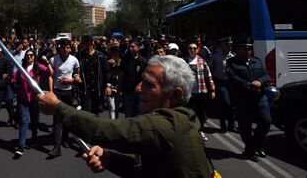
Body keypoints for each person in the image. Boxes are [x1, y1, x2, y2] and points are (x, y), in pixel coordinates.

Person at [38, 55, 212, 178]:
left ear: (174, 95)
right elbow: (145, 171)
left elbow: (106, 130)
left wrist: (58, 108)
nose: (138, 88)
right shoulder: (178, 120)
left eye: (148, 84)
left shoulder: (168, 125)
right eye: (141, 80)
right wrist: (110, 159)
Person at [226, 38, 271, 162]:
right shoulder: (231, 63)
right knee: (245, 127)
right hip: (243, 100)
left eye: (249, 48)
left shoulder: (257, 61)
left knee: (266, 122)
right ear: (238, 50)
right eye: (245, 48)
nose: (248, 51)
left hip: (259, 98)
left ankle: (256, 144)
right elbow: (233, 79)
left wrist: (259, 82)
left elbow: (266, 75)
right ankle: (250, 151)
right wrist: (250, 85)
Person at [11, 49, 52, 156]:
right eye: (27, 55)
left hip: (35, 99)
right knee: (24, 121)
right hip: (23, 99)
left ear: (34, 56)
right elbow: (13, 80)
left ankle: (34, 137)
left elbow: (50, 73)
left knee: (34, 120)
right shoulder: (21, 69)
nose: (29, 57)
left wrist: (47, 62)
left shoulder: (39, 67)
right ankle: (21, 146)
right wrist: (16, 87)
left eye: (31, 55)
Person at [48, 38, 82, 157]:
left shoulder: (74, 60)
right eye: (63, 47)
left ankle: (65, 138)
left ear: (70, 48)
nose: (65, 49)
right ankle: (56, 147)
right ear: (59, 48)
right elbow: (51, 76)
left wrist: (72, 79)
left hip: (69, 92)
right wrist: (51, 92)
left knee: (67, 118)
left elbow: (77, 73)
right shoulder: (53, 59)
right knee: (57, 120)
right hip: (57, 91)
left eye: (67, 47)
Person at [185, 42, 215, 141]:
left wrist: (212, 90)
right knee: (190, 113)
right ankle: (191, 131)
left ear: (197, 49)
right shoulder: (183, 61)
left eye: (194, 48)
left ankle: (200, 130)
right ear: (187, 49)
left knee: (201, 113)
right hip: (189, 92)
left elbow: (208, 76)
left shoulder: (202, 61)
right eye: (190, 48)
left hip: (201, 91)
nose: (192, 50)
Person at [208, 36, 237, 132]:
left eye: (231, 45)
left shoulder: (233, 56)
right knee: (225, 103)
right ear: (222, 45)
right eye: (227, 45)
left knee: (233, 105)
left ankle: (231, 125)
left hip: (231, 83)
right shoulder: (215, 55)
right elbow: (210, 69)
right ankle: (223, 124)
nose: (230, 47)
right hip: (220, 82)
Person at [77, 35, 111, 116]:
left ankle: (94, 128)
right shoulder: (80, 55)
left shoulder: (100, 55)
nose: (83, 44)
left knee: (96, 112)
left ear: (91, 43)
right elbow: (75, 69)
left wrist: (108, 85)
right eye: (82, 42)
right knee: (86, 112)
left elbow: (107, 71)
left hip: (98, 88)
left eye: (85, 42)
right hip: (85, 88)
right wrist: (76, 75)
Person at [120, 40, 148, 118]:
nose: (130, 48)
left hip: (139, 93)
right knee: (129, 114)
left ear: (138, 47)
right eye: (129, 47)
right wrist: (119, 90)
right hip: (128, 92)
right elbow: (121, 76)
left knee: (139, 114)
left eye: (133, 46)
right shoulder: (125, 60)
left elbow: (145, 78)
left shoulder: (143, 61)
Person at [106, 45, 122, 120]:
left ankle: (116, 121)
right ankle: (112, 122)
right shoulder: (107, 61)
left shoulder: (121, 61)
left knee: (117, 106)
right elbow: (107, 74)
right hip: (110, 85)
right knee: (112, 107)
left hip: (119, 86)